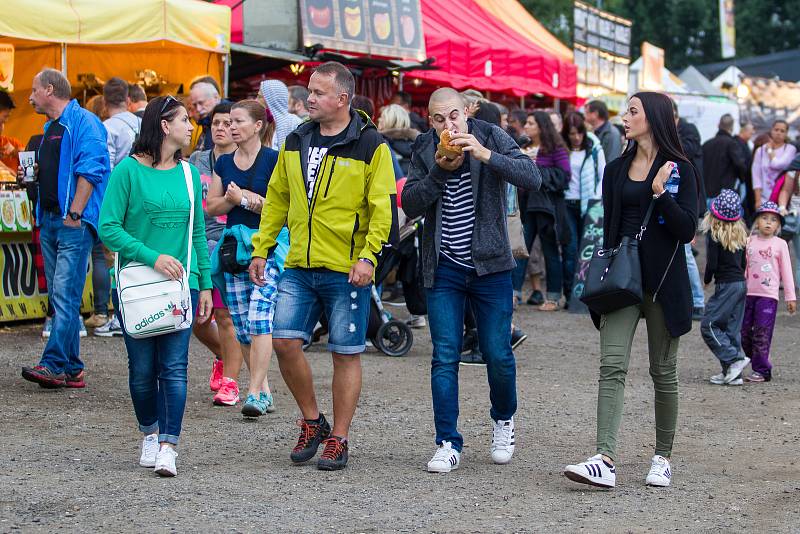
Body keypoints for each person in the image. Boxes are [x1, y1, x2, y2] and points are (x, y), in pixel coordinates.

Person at [249, 61, 395, 471]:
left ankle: (340, 438)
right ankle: (313, 421)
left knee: (345, 353)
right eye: (309, 91)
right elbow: (277, 197)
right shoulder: (296, 139)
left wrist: (368, 257)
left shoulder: (371, 145)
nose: (309, 98)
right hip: (298, 263)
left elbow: (382, 208)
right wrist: (261, 248)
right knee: (284, 342)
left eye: (317, 92)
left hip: (347, 267)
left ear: (342, 99)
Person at [563, 92, 699, 489]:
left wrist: (660, 193)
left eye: (632, 111)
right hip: (622, 279)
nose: (624, 117)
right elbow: (609, 229)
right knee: (612, 366)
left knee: (663, 372)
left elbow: (687, 230)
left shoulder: (681, 170)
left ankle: (663, 456)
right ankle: (604, 458)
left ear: (653, 118)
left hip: (663, 282)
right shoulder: (616, 168)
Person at [402, 87, 540, 473]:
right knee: (444, 356)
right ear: (430, 120)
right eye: (439, 118)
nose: (449, 125)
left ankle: (503, 419)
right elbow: (410, 202)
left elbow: (533, 176)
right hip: (443, 267)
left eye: (454, 116)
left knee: (498, 353)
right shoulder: (426, 147)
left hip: (491, 266)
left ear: (467, 112)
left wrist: (484, 154)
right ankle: (447, 441)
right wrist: (438, 172)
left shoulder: (491, 134)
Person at [99, 95, 213, 477]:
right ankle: (149, 432)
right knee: (142, 371)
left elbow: (197, 233)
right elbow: (108, 227)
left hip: (183, 285)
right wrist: (152, 257)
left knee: (175, 368)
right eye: (184, 119)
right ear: (165, 126)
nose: (190, 126)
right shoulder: (127, 172)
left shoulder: (190, 174)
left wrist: (206, 285)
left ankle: (169, 445)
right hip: (136, 286)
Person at [19, 69, 110, 390]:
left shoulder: (84, 122)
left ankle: (54, 363)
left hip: (72, 221)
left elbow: (93, 169)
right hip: (51, 219)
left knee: (64, 294)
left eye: (33, 90)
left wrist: (76, 212)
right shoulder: (51, 128)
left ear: (49, 89)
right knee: (64, 296)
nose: (29, 97)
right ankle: (72, 368)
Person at [207, 100, 281, 416]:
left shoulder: (274, 160)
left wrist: (245, 200)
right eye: (228, 122)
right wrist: (230, 199)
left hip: (269, 246)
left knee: (260, 316)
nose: (232, 127)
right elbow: (212, 206)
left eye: (238, 121)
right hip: (233, 248)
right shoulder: (224, 163)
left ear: (258, 125)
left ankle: (252, 393)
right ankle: (263, 391)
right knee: (240, 326)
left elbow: (281, 207)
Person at [187, 102, 242, 400]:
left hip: (228, 246)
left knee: (224, 316)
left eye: (227, 123)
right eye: (215, 123)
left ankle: (230, 382)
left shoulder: (243, 161)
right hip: (197, 245)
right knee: (197, 317)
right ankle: (225, 355)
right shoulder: (196, 160)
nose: (221, 129)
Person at [84, 78, 143, 332]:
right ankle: (134, 312)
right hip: (140, 200)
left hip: (116, 201)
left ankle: (112, 314)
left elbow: (103, 168)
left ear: (104, 101)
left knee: (108, 258)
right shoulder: (140, 124)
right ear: (128, 99)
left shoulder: (106, 127)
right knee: (134, 258)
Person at [516, 111, 570, 311]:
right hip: (526, 206)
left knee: (550, 252)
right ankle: (514, 294)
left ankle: (554, 298)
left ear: (541, 126)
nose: (526, 126)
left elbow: (564, 177)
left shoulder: (555, 148)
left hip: (547, 208)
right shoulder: (522, 147)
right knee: (520, 251)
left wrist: (535, 166)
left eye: (530, 123)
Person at [741, 201, 796, 383]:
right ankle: (758, 360)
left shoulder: (780, 244)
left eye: (773, 220)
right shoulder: (749, 241)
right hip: (748, 294)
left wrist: (790, 297)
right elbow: (744, 268)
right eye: (764, 218)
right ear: (757, 221)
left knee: (762, 333)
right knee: (744, 333)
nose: (768, 222)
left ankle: (762, 370)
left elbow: (787, 272)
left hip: (768, 297)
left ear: (778, 225)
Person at [700, 189, 750, 386]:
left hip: (726, 285)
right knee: (731, 328)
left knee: (709, 325)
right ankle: (731, 373)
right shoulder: (741, 234)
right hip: (740, 284)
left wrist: (707, 279)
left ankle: (733, 359)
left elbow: (712, 263)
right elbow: (744, 263)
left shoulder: (714, 235)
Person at [561, 111, 605, 303]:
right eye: (572, 133)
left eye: (579, 133)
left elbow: (603, 174)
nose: (576, 137)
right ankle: (571, 293)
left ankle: (588, 293)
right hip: (567, 203)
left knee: (587, 249)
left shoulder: (594, 147)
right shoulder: (561, 148)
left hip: (589, 205)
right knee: (570, 249)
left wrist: (596, 198)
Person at [672, 100, 705, 320]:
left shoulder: (687, 131)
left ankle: (698, 301)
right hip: (677, 200)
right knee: (682, 253)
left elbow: (690, 151)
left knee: (685, 253)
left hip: (685, 200)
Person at [701, 114, 748, 201]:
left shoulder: (707, 144)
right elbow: (740, 165)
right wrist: (742, 179)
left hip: (706, 193)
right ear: (732, 127)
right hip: (725, 195)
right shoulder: (732, 144)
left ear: (718, 125)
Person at [752, 120, 797, 208]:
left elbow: (777, 164)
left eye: (782, 131)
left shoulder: (790, 149)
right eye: (776, 130)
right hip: (764, 198)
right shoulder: (760, 151)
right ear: (771, 130)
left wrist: (770, 151)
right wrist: (758, 200)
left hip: (782, 199)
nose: (778, 133)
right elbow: (756, 176)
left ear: (786, 133)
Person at [259, 79, 303, 151]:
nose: (256, 100)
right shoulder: (263, 121)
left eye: (260, 96)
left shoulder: (294, 122)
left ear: (271, 98)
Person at [378, 103, 419, 176]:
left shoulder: (382, 144)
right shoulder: (419, 144)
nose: (379, 119)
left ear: (389, 121)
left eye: (382, 117)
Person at [189, 81, 222, 152]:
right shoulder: (206, 121)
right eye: (195, 105)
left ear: (216, 97)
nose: (198, 109)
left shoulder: (230, 117)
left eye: (201, 103)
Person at [0, 91, 24, 173]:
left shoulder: (11, 143)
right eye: (5, 116)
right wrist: (10, 173)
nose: (6, 121)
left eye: (2, 123)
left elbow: (32, 157)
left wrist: (15, 151)